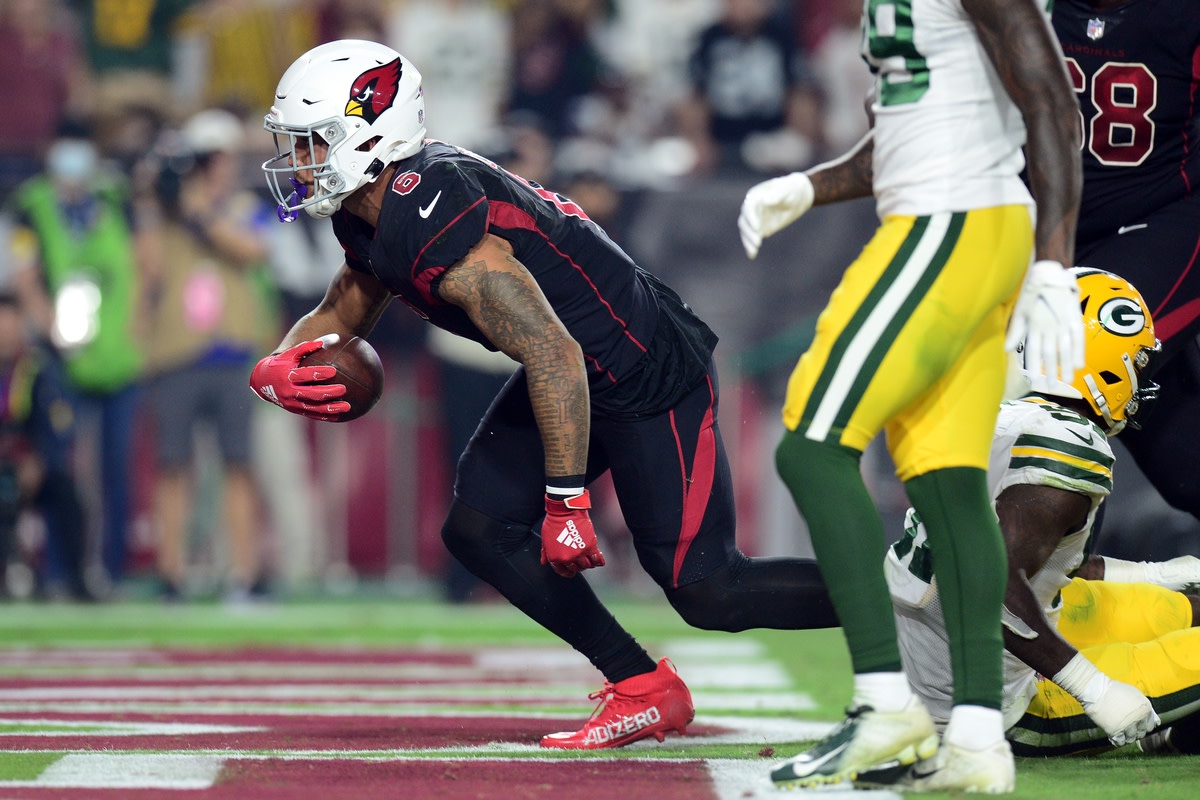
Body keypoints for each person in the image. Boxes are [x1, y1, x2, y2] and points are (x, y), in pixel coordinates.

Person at [248, 39, 837, 749]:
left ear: (370, 134)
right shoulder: (371, 206)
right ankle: (643, 686)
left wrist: (566, 501)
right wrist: (281, 360)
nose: (300, 162)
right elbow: (346, 308)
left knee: (708, 588)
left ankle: (905, 596)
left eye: (314, 143)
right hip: (572, 369)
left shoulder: (431, 212)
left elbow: (554, 352)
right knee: (479, 529)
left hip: (643, 370)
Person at [736, 0, 1084, 792]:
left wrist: (1058, 262)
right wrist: (807, 185)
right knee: (949, 483)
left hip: (947, 225)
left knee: (812, 442)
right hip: (970, 222)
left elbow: (1050, 97)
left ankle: (883, 704)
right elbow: (918, 119)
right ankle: (974, 740)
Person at [884, 268, 1200, 766]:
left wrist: (1154, 575)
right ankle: (1167, 736)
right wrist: (1094, 691)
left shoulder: (1003, 418)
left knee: (1187, 607)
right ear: (1105, 358)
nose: (1143, 375)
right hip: (1001, 705)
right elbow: (984, 587)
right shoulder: (1070, 449)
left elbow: (1029, 562)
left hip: (941, 668)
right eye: (1136, 359)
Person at [1050, 1, 1200, 533]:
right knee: (1182, 464)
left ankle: (1048, 581)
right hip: (1051, 229)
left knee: (1072, 368)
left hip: (1164, 219)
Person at [6, 117, 144, 594]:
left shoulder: (114, 198)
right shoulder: (31, 205)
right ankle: (63, 573)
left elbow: (142, 267)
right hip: (60, 360)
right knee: (61, 471)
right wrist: (55, 332)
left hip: (117, 357)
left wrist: (135, 328)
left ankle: (111, 571)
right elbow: (25, 278)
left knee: (115, 472)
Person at [143, 108, 272, 601]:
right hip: (177, 351)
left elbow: (252, 250)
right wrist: (157, 204)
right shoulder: (163, 212)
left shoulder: (242, 207)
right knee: (172, 466)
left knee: (239, 465)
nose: (221, 168)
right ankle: (172, 574)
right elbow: (148, 268)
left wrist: (197, 211)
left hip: (232, 353)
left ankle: (244, 573)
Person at [0, 290, 90, 600]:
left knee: (67, 495)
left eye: (9, 323)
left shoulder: (37, 366)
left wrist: (38, 461)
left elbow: (58, 424)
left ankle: (77, 580)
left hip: (30, 466)